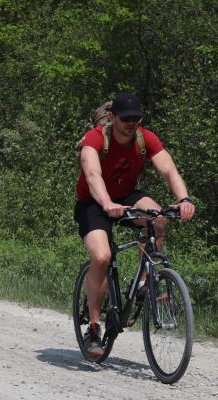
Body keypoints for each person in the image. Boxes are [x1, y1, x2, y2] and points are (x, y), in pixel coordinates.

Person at [76, 92, 196, 357]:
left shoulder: (145, 138)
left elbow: (169, 170)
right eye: (126, 119)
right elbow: (92, 174)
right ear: (112, 117)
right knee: (102, 256)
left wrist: (184, 199)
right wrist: (106, 202)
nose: (132, 123)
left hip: (126, 197)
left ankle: (143, 284)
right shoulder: (95, 139)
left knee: (158, 217)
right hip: (93, 203)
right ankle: (93, 328)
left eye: (136, 118)